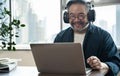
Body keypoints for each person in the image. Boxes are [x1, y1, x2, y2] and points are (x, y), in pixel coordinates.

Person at [54, 0, 120, 76]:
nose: (76, 20)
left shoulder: (103, 36)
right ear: (67, 17)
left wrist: (102, 65)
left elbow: (116, 63)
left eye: (81, 15)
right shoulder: (60, 37)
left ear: (90, 16)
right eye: (72, 16)